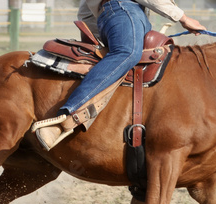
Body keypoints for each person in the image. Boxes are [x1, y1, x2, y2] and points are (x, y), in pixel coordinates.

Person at [34, 0, 206, 151]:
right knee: (128, 53)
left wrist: (94, 29)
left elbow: (85, 11)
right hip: (124, 10)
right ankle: (64, 117)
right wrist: (183, 18)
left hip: (120, 14)